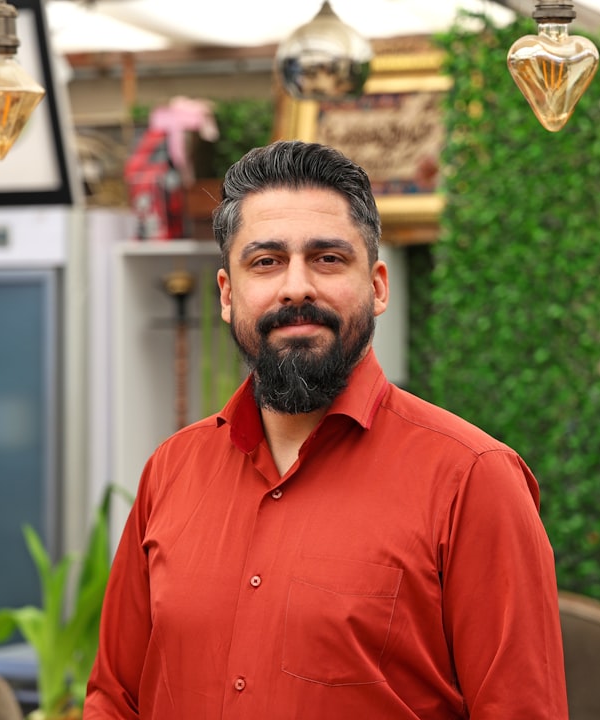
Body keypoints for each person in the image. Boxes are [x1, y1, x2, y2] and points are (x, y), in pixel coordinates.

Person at [84, 140, 568, 719]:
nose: (296, 288)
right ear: (227, 293)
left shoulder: (473, 480)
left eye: (328, 259)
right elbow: (115, 697)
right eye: (265, 261)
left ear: (378, 286)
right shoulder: (172, 470)